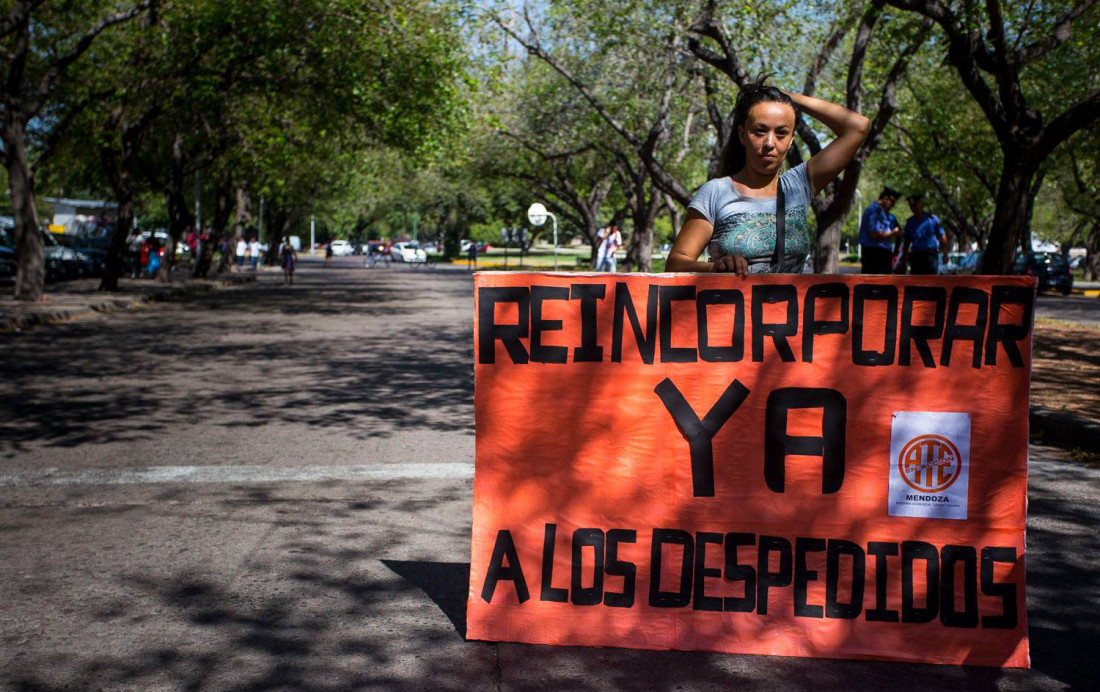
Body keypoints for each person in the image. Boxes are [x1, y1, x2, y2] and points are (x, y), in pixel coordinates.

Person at [666, 83, 869, 274]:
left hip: (790, 312)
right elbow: (675, 264)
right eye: (760, 131)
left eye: (781, 133)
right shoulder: (715, 192)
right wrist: (714, 269)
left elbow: (858, 126)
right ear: (742, 134)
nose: (770, 143)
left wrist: (787, 98)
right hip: (732, 310)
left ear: (791, 141)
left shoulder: (799, 185)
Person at [859, 187, 903, 274]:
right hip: (874, 254)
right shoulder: (875, 211)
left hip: (883, 254)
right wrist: (893, 232)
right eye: (892, 202)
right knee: (871, 284)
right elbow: (875, 234)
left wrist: (895, 253)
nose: (892, 206)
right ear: (885, 198)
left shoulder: (884, 213)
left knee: (885, 285)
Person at [902, 194, 948, 276]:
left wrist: (945, 254)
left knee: (931, 282)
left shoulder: (932, 219)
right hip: (916, 256)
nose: (914, 208)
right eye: (911, 206)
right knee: (916, 283)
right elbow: (907, 241)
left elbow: (942, 237)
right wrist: (904, 258)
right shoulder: (910, 222)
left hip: (930, 255)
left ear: (922, 204)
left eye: (916, 205)